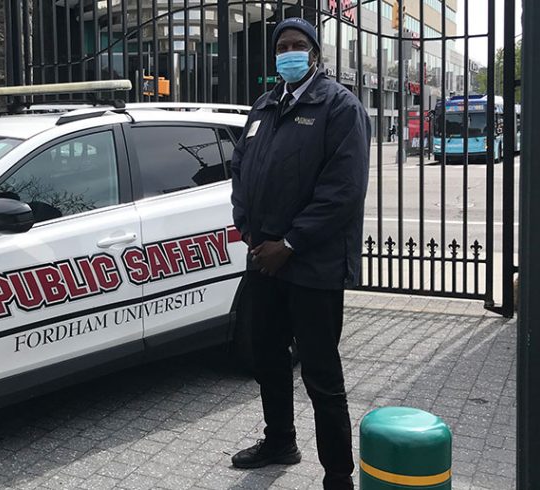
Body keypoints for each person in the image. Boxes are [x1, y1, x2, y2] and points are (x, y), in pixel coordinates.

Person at [229, 17, 370, 490]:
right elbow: (241, 171)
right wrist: (250, 232)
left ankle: (338, 476)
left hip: (312, 263)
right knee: (266, 356)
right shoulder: (265, 106)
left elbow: (343, 191)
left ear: (314, 52)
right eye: (281, 46)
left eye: (298, 45)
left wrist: (289, 244)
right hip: (264, 258)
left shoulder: (339, 107)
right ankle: (280, 442)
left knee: (321, 375)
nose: (288, 52)